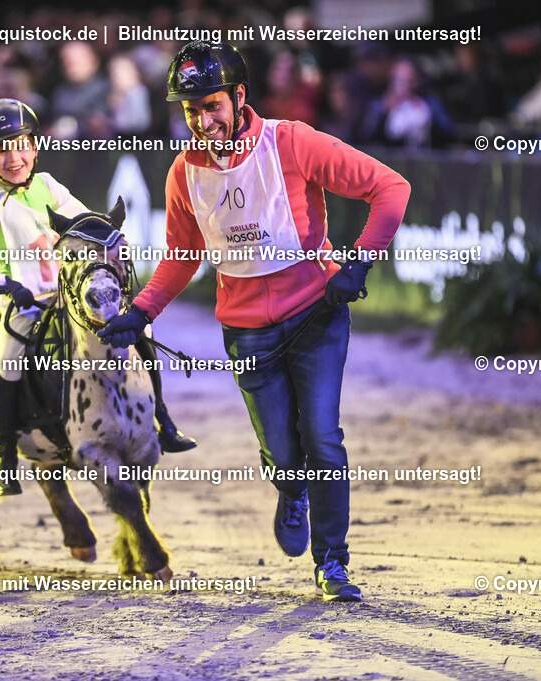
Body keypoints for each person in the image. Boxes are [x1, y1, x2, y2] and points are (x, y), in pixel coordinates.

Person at [98, 42, 410, 602]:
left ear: (240, 97)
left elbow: (390, 188)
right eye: (190, 110)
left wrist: (358, 261)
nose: (202, 120)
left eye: (211, 105)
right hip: (247, 332)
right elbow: (182, 254)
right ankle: (291, 489)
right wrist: (140, 311)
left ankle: (332, 563)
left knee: (322, 437)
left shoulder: (292, 141)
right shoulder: (182, 172)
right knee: (284, 454)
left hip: (317, 315)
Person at [0, 99, 194, 497]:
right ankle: (4, 454)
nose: (14, 157)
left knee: (138, 326)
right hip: (22, 302)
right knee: (9, 356)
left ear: (34, 147)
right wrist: (6, 286)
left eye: (20, 145)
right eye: (1, 149)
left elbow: (85, 224)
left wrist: (106, 232)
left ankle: (162, 419)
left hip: (65, 293)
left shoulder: (49, 185)